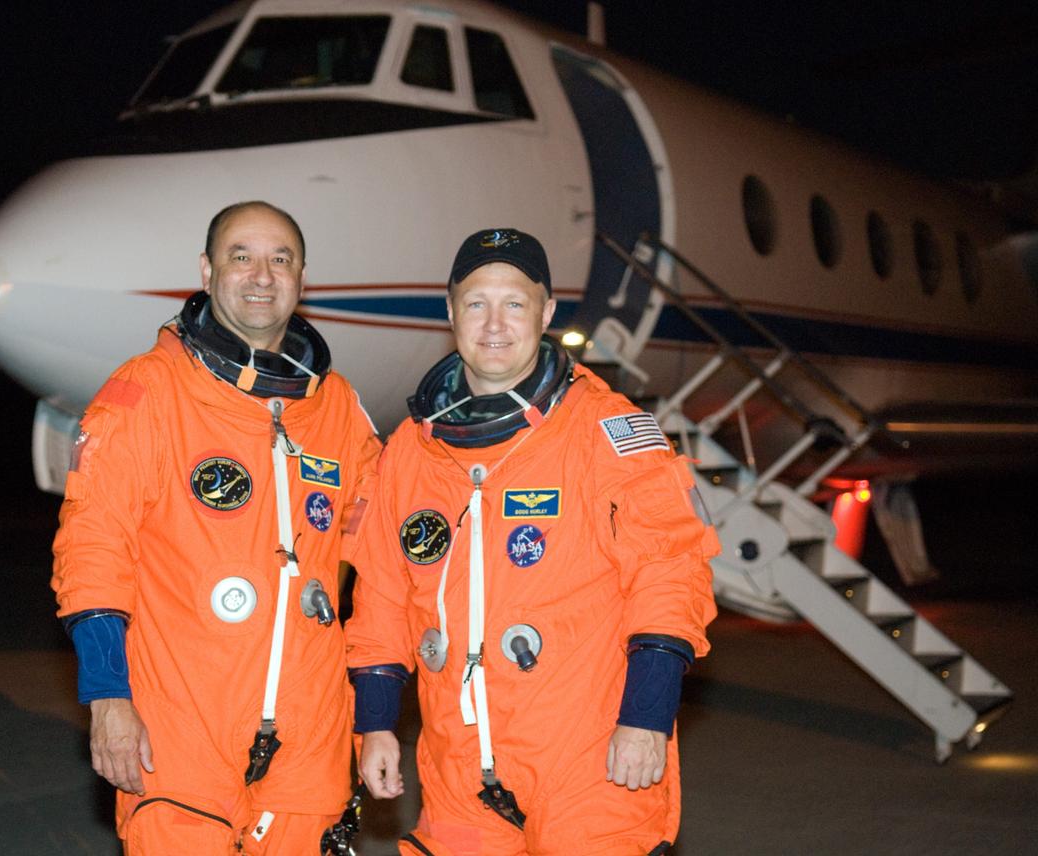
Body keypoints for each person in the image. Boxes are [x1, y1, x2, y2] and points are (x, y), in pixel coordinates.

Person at [344, 228, 719, 855]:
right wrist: (376, 724)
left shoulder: (608, 431)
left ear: (545, 313)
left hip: (589, 759)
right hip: (458, 766)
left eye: (514, 304)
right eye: (475, 303)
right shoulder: (410, 450)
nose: (495, 324)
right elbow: (381, 594)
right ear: (450, 311)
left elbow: (670, 573)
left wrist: (647, 717)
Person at [51, 201, 381, 854]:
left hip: (308, 736)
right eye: (241, 257)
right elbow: (93, 547)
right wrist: (106, 694)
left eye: (279, 259)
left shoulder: (336, 407)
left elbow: (389, 556)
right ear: (206, 271)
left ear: (302, 279)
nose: (261, 275)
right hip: (178, 727)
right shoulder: (147, 393)